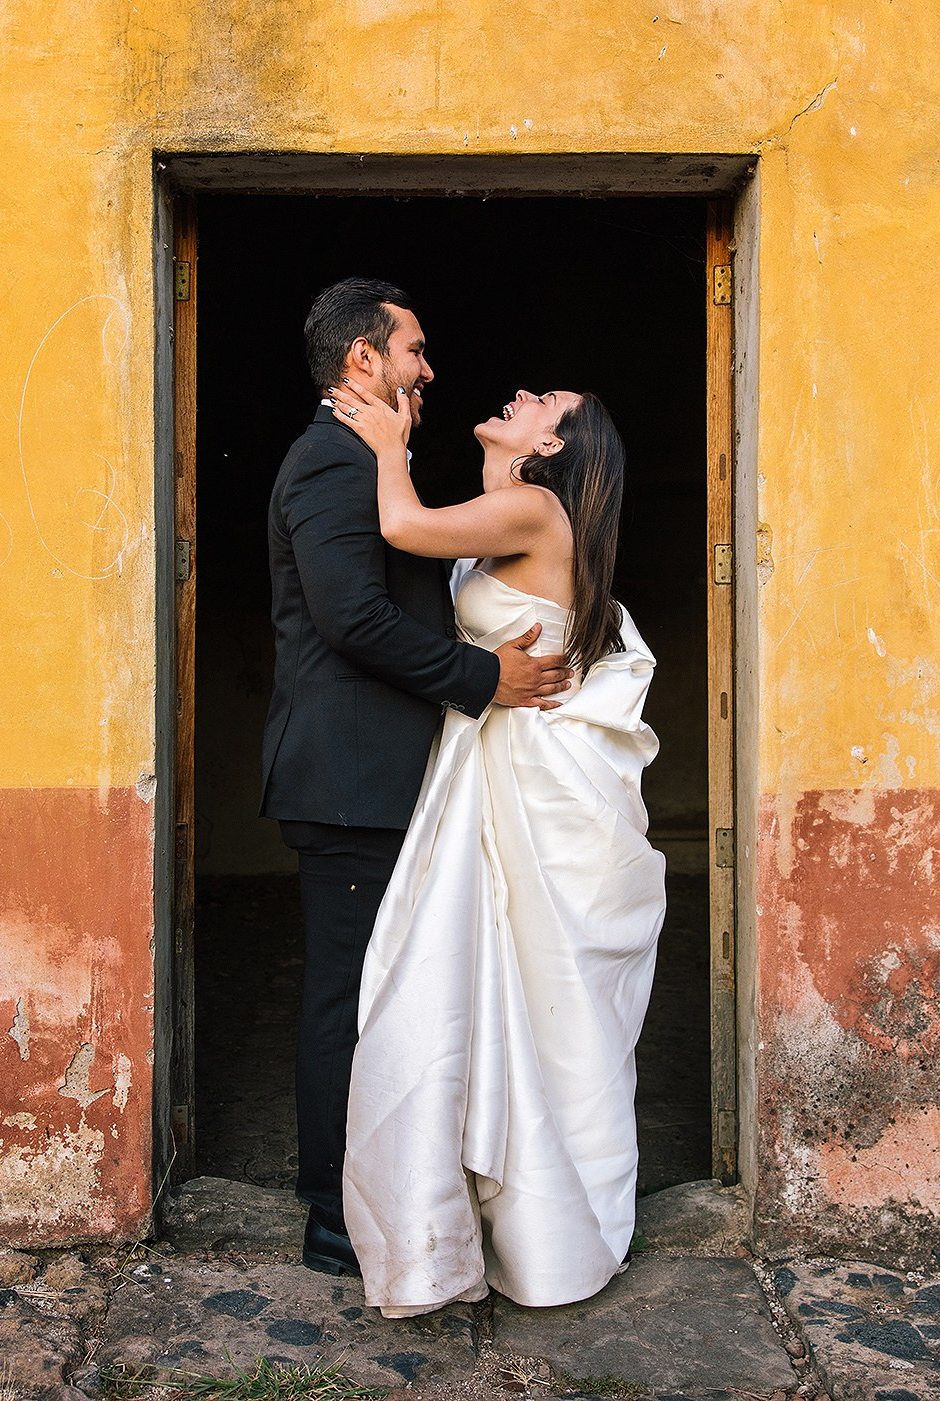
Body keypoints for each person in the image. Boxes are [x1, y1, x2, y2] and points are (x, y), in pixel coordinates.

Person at [327, 375, 666, 1315]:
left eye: (541, 400)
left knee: (528, 992)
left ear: (554, 446)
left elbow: (402, 529)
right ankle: (531, 1225)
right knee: (519, 995)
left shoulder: (530, 507)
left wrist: (390, 443)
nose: (519, 392)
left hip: (530, 781)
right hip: (505, 763)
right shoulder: (526, 507)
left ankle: (542, 1224)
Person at [260, 279, 574, 1278]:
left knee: (389, 993)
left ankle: (386, 1194)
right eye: (416, 351)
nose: (430, 370)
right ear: (365, 359)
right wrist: (487, 677)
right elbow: (352, 619)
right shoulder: (327, 465)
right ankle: (332, 1218)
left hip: (388, 776)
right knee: (346, 996)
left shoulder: (368, 464)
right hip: (350, 780)